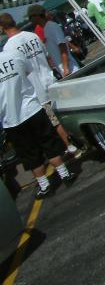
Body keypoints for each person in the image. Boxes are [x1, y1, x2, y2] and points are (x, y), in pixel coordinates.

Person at [0, 13, 80, 157]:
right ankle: (81, 137)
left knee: (55, 121)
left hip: (37, 89)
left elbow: (20, 74)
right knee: (65, 113)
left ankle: (72, 147)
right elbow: (47, 57)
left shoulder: (9, 48)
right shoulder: (32, 36)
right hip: (50, 80)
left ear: (2, 28)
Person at [0, 50, 76, 198]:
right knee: (48, 142)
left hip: (12, 119)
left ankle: (44, 185)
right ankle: (65, 174)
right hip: (32, 108)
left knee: (29, 153)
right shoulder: (14, 54)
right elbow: (30, 73)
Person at [27, 4, 80, 77]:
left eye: (30, 17)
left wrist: (66, 68)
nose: (30, 20)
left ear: (37, 16)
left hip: (71, 70)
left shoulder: (52, 26)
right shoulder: (46, 29)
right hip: (64, 71)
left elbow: (62, 46)